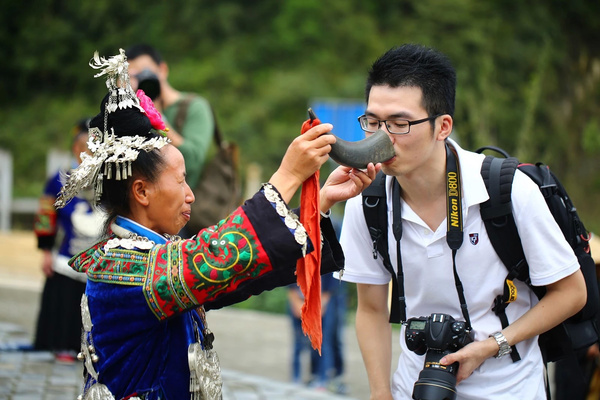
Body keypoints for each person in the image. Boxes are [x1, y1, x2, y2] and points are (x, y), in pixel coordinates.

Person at [57, 49, 377, 400]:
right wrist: (287, 176)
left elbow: (239, 275)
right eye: (180, 181)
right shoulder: (119, 268)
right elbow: (215, 255)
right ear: (141, 191)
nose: (191, 195)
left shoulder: (154, 257)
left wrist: (320, 204)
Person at [338, 43, 586, 399]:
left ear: (443, 126)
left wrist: (492, 345)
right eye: (373, 122)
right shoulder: (368, 199)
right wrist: (380, 393)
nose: (381, 138)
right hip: (414, 386)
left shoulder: (507, 190)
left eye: (400, 124)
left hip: (510, 388)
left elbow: (572, 293)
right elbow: (372, 309)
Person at [32, 119, 104, 361]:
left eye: (94, 147)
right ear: (75, 148)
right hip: (66, 257)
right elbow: (45, 217)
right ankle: (61, 346)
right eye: (84, 146)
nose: (88, 152)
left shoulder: (108, 180)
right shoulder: (58, 180)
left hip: (98, 261)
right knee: (64, 305)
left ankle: (91, 350)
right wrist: (45, 250)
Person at [125, 44, 213, 191]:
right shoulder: (132, 112)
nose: (140, 79)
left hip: (190, 203)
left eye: (145, 72)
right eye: (133, 76)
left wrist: (156, 117)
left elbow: (192, 162)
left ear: (163, 70)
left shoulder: (195, 107)